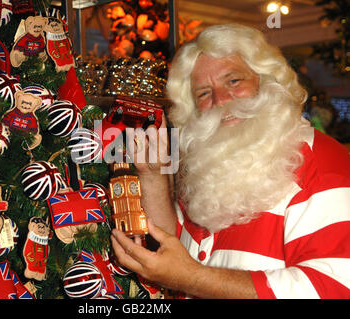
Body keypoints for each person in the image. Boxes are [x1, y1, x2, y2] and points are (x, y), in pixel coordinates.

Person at [110, 24, 350, 299]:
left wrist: (191, 278)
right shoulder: (211, 162)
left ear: (267, 80)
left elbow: (335, 288)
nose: (220, 100)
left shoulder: (321, 160)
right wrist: (153, 175)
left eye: (234, 81)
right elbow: (177, 251)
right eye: (203, 93)